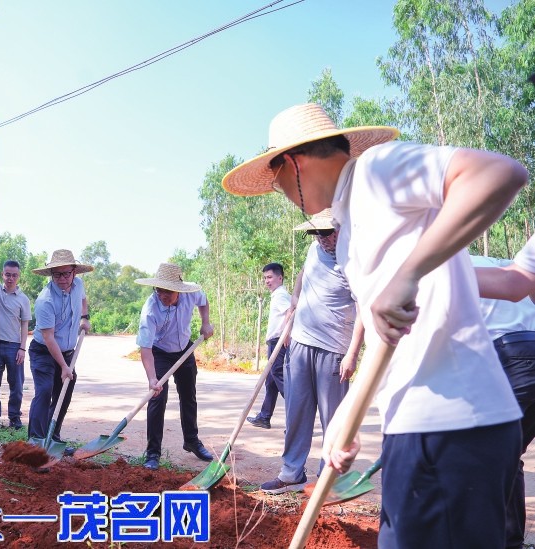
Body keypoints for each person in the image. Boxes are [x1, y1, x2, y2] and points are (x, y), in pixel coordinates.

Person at [221, 103, 527, 547]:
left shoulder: (376, 171)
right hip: (415, 423)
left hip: (451, 425)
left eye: (277, 180)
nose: (280, 191)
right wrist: (347, 414)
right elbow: (388, 332)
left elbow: (499, 174)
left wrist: (409, 273)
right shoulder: (349, 230)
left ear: (293, 163)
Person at [261, 210, 363, 494]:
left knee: (333, 419)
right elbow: (303, 276)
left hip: (334, 348)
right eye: (316, 233)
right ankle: (291, 473)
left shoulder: (355, 260)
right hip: (301, 343)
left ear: (341, 230)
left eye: (326, 233)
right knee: (296, 412)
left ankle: (327, 480)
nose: (321, 239)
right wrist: (294, 303)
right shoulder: (313, 249)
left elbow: (364, 309)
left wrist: (353, 353)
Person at [471, 254, 535, 549]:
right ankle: (510, 541)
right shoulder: (503, 262)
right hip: (528, 347)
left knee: (488, 453)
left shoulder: (449, 267)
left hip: (513, 357)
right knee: (510, 452)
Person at [134, 262, 215, 470]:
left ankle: (191, 440)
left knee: (189, 396)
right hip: (160, 352)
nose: (162, 295)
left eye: (167, 291)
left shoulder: (190, 293)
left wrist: (205, 322)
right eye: (159, 290)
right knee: (157, 398)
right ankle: (153, 452)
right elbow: (145, 349)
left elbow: (204, 301)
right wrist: (152, 378)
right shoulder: (150, 309)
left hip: (185, 349)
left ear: (178, 289)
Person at [27, 250, 92, 449]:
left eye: (66, 274)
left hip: (67, 352)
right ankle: (36, 441)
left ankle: (52, 436)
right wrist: (64, 366)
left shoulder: (78, 285)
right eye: (57, 274)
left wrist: (85, 317)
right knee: (45, 391)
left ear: (74, 273)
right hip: (44, 351)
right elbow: (48, 337)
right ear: (51, 274)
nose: (62, 279)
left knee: (64, 391)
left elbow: (82, 300)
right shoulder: (45, 300)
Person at [0, 260, 31, 431]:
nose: (10, 278)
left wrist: (22, 348)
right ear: (2, 274)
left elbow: (25, 325)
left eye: (14, 275)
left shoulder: (23, 299)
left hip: (14, 347)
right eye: (7, 274)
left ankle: (14, 418)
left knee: (17, 386)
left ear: (19, 276)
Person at [247, 262, 292, 430]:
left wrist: (286, 333)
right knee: (271, 382)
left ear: (280, 278)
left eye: (270, 277)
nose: (267, 281)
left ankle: (296, 420)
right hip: (275, 342)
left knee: (280, 379)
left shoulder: (281, 295)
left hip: (279, 342)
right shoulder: (277, 295)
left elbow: (291, 312)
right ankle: (264, 417)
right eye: (265, 278)